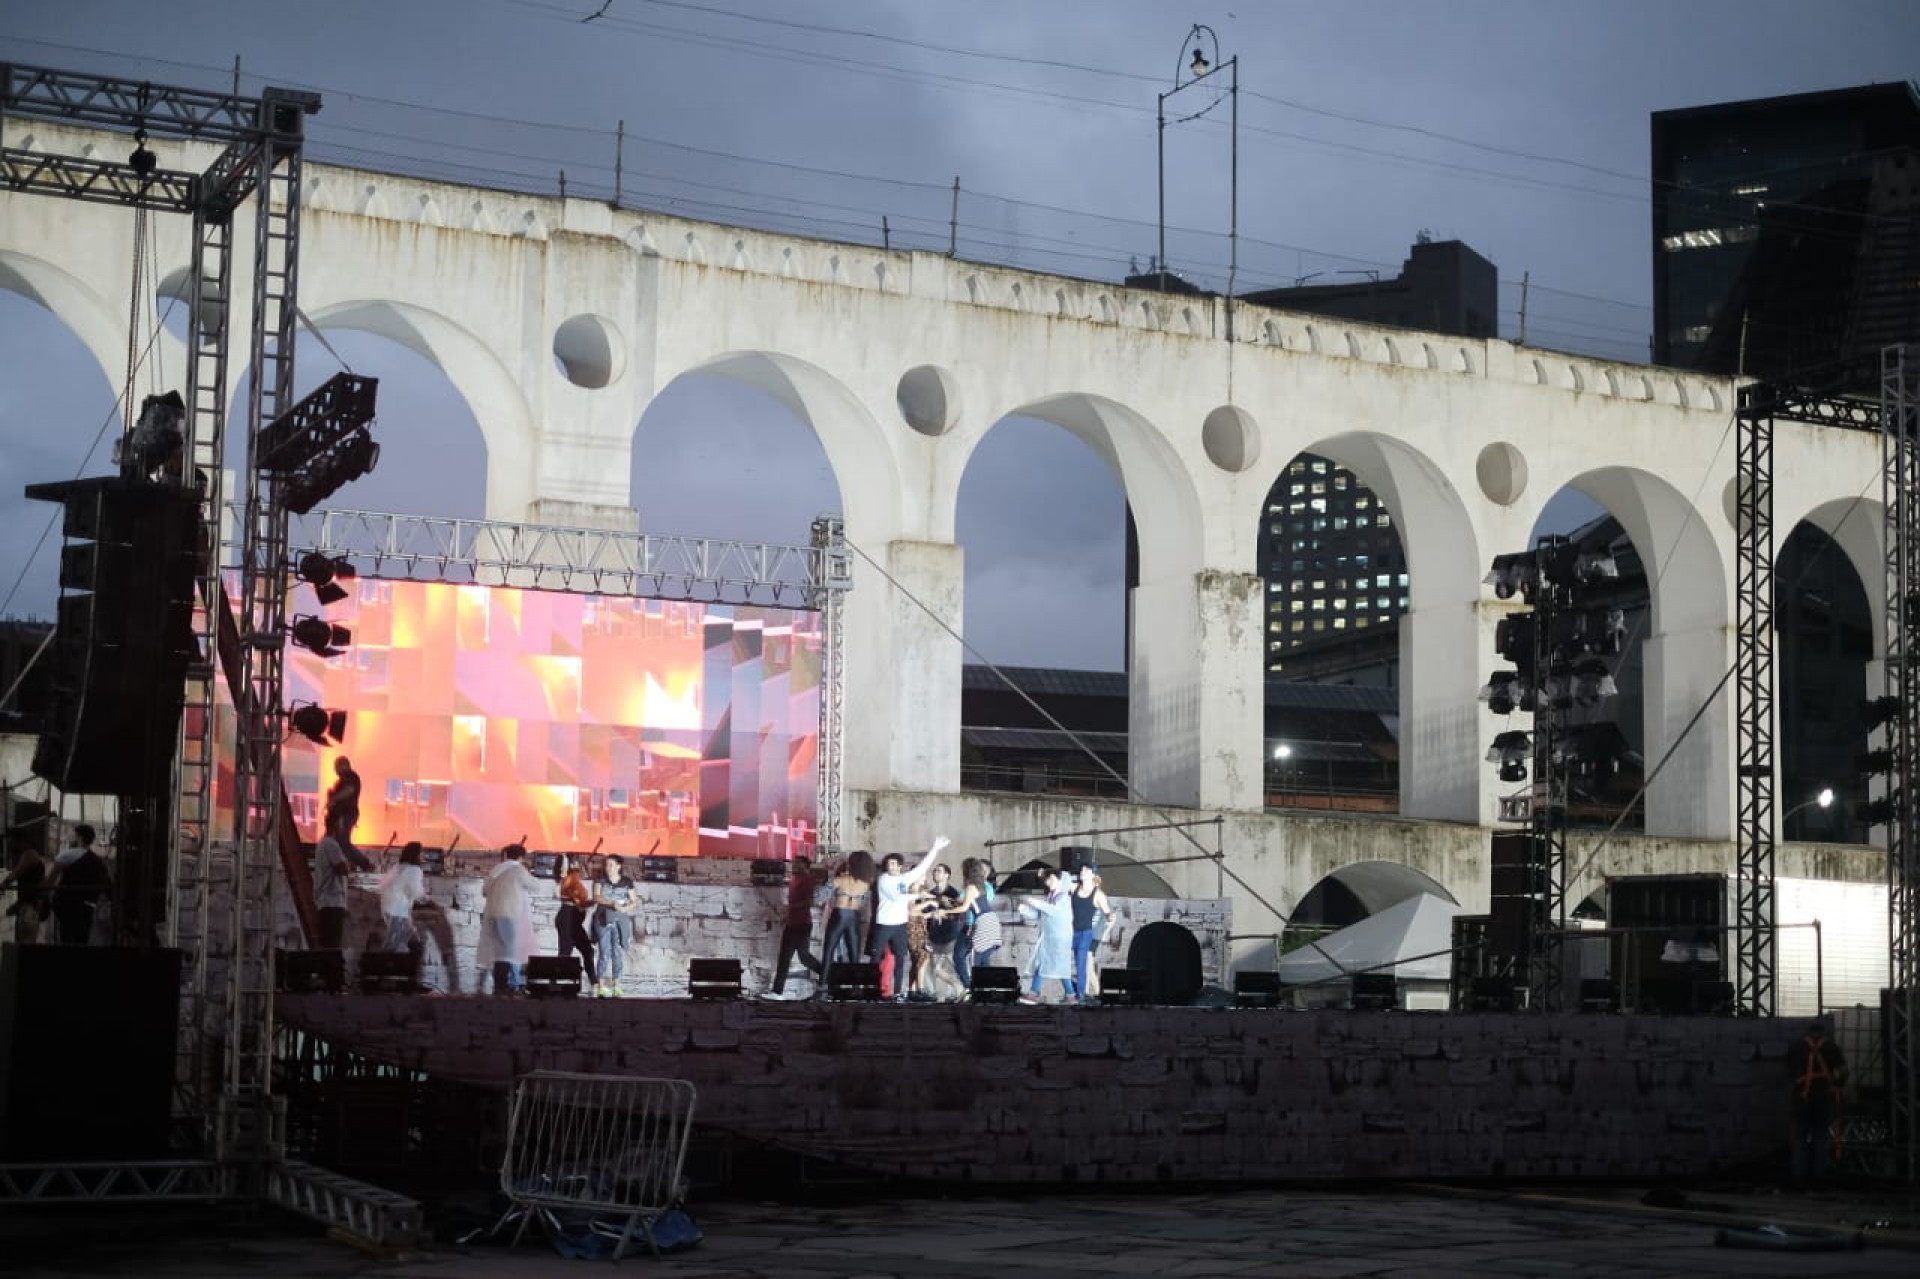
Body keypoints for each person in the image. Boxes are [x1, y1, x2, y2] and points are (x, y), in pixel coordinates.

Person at [868, 836, 950, 1002]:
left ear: (899, 866)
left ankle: (897, 991)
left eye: (893, 864)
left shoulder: (903, 878)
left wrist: (935, 849)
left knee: (900, 958)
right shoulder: (883, 880)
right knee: (876, 958)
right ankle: (871, 989)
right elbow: (897, 897)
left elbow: (922, 868)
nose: (890, 867)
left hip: (899, 925)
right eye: (888, 864)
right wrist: (921, 894)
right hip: (884, 924)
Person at [1788, 1019, 1848, 1187]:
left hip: (1801, 1100)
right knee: (1821, 1138)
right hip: (1822, 1098)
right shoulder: (1831, 1047)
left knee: (1799, 1139)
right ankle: (1819, 1179)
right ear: (1822, 1032)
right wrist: (1837, 1084)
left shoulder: (1796, 1047)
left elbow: (1788, 1071)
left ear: (1809, 1032)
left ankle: (1799, 1178)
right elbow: (1843, 1071)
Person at [481, 843, 537, 995]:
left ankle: (500, 985)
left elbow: (484, 891)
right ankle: (506, 986)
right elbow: (535, 886)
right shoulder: (518, 870)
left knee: (500, 951)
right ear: (521, 857)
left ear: (506, 855)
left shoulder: (496, 869)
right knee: (508, 951)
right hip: (510, 915)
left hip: (494, 915)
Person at [1016, 866, 1076, 1004]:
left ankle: (1034, 994)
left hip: (1059, 938)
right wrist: (1025, 910)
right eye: (1048, 880)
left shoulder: (1063, 898)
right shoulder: (1051, 897)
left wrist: (1036, 903)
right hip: (1051, 937)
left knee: (1050, 966)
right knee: (1056, 967)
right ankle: (1070, 996)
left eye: (1052, 879)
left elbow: (1053, 911)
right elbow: (1041, 914)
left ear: (1060, 881)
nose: (1049, 882)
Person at [819, 851, 875, 998]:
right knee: (854, 954)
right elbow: (864, 903)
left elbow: (819, 896)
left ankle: (822, 987)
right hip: (854, 916)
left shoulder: (841, 880)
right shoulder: (866, 884)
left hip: (839, 914)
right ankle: (855, 988)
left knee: (829, 951)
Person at [769, 855, 823, 997]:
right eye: (794, 863)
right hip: (792, 923)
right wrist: (786, 916)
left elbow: (809, 902)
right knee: (787, 958)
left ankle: (827, 976)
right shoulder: (794, 880)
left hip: (802, 924)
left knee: (801, 957)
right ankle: (777, 991)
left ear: (805, 866)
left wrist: (790, 907)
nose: (794, 866)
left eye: (797, 864)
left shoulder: (807, 880)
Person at [592, 855, 641, 997]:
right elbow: (596, 896)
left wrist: (626, 908)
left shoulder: (626, 882)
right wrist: (611, 903)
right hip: (603, 918)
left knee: (617, 952)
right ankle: (601, 985)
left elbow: (634, 900)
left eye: (611, 865)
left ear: (619, 866)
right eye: (606, 865)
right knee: (604, 952)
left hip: (620, 919)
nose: (608, 868)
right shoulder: (600, 880)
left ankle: (617, 985)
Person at [918, 863, 964, 999]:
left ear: (947, 875)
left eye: (939, 871)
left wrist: (943, 913)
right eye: (934, 871)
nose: (935, 874)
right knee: (929, 967)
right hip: (933, 935)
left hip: (950, 935)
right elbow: (924, 915)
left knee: (951, 967)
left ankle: (954, 995)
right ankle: (930, 993)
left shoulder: (954, 893)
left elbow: (958, 914)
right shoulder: (930, 894)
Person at [1069, 863, 1113, 1002]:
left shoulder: (1098, 895)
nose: (1082, 871)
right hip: (1071, 931)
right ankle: (1073, 992)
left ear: (1093, 875)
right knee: (1064, 962)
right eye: (1081, 869)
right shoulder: (1074, 887)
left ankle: (1081, 995)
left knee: (1083, 963)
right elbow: (1059, 883)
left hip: (1086, 933)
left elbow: (1109, 914)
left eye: (1086, 870)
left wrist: (1107, 928)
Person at [554, 854, 596, 990]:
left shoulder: (574, 879)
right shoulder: (570, 878)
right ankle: (557, 982)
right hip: (568, 917)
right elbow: (576, 900)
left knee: (586, 950)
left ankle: (593, 982)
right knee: (566, 951)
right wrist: (592, 902)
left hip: (573, 919)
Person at [311, 814, 353, 949]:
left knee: (328, 944)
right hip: (332, 903)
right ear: (335, 823)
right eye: (341, 822)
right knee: (332, 945)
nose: (343, 826)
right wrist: (348, 864)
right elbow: (343, 868)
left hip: (327, 902)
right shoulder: (330, 844)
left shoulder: (324, 844)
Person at [377, 841, 426, 953]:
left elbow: (382, 884)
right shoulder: (414, 870)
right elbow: (416, 892)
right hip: (398, 912)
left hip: (389, 909)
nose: (423, 856)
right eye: (421, 853)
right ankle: (384, 966)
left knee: (411, 940)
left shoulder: (398, 867)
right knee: (393, 945)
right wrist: (428, 900)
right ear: (416, 855)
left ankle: (407, 965)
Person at [0, 839, 50, 946]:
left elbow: (15, 874)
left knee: (25, 943)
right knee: (22, 942)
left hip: (31, 907)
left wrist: (3, 885)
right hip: (28, 905)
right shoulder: (31, 860)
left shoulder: (30, 855)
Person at [325, 756, 363, 853]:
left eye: (336, 766)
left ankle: (364, 863)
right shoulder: (343, 779)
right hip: (342, 815)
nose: (335, 770)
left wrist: (334, 798)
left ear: (343, 765)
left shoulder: (350, 777)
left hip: (346, 814)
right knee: (338, 842)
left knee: (343, 843)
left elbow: (349, 790)